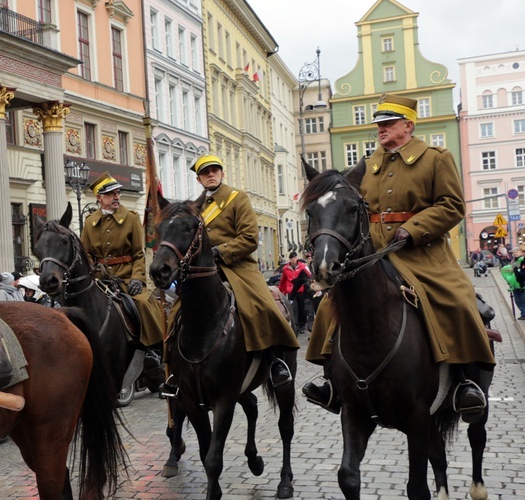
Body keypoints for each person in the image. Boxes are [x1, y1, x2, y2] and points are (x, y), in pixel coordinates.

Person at [303, 94, 495, 422]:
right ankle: (331, 379)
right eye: (379, 124)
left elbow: (452, 205)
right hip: (374, 254)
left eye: (389, 123)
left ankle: (465, 383)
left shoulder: (436, 158)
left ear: (408, 125)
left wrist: (413, 229)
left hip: (424, 252)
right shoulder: (366, 166)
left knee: (459, 300)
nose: (381, 129)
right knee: (330, 304)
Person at [182, 155, 300, 385]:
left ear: (222, 173)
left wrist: (220, 251)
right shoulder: (194, 208)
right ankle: (176, 370)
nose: (211, 175)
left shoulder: (237, 199)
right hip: (204, 271)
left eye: (215, 170)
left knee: (262, 306)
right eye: (206, 172)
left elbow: (249, 238)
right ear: (199, 179)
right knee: (177, 311)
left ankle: (275, 360)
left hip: (238, 266)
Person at [81, 172, 165, 347]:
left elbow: (138, 254)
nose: (116, 197)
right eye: (111, 194)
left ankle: (155, 348)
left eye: (118, 193)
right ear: (99, 197)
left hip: (127, 278)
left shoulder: (131, 218)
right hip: (100, 281)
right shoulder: (89, 222)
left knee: (142, 303)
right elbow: (86, 253)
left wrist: (137, 278)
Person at [279, 252, 311, 335]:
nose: (293, 259)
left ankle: (302, 325)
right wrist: (280, 291)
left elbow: (307, 277)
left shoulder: (302, 267)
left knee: (302, 308)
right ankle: (295, 326)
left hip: (301, 290)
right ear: (290, 259)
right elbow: (283, 280)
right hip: (291, 291)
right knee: (294, 309)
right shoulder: (286, 268)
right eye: (292, 258)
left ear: (296, 258)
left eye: (295, 257)